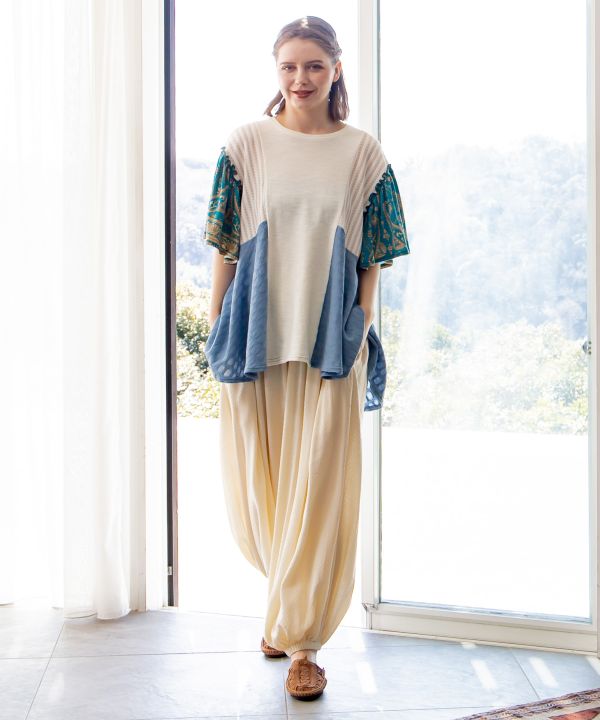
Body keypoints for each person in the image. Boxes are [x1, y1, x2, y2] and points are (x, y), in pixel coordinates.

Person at [203, 15, 410, 701]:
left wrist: (360, 324)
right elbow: (224, 248)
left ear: (336, 69)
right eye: (289, 67)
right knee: (260, 486)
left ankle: (305, 645)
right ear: (276, 70)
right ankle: (285, 609)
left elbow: (375, 256)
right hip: (256, 338)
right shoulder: (247, 146)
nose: (301, 79)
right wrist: (217, 328)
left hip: (329, 343)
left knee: (320, 490)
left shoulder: (361, 154)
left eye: (314, 66)